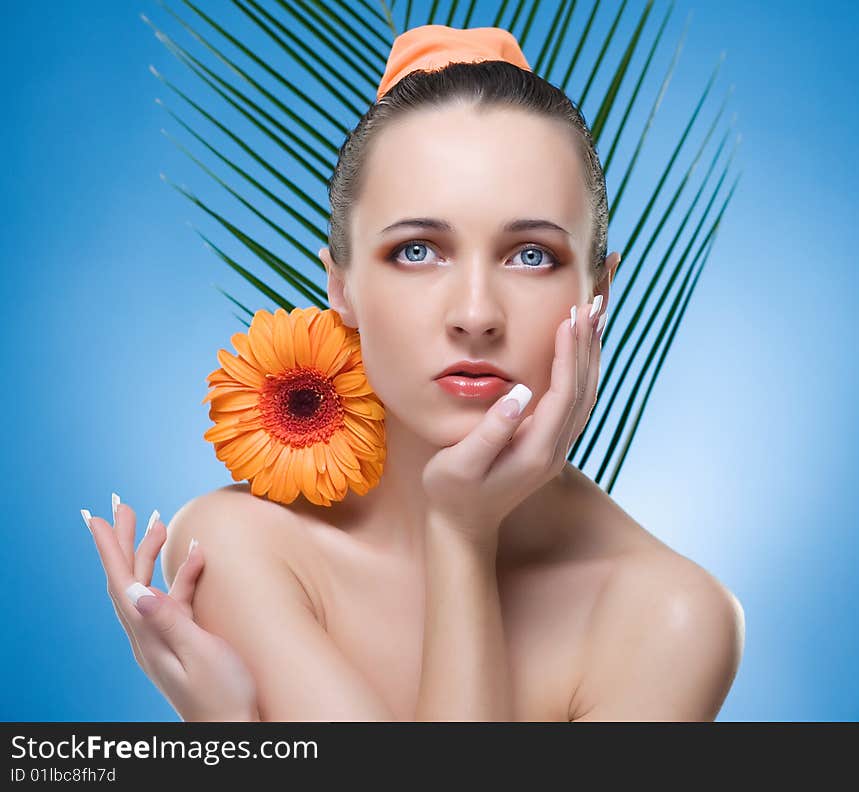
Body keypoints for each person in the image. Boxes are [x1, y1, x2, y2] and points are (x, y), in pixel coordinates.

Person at [85, 24, 744, 722]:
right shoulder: (241, 547)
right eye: (417, 251)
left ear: (598, 292)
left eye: (530, 256)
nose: (475, 314)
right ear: (340, 286)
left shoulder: (672, 620)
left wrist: (462, 533)